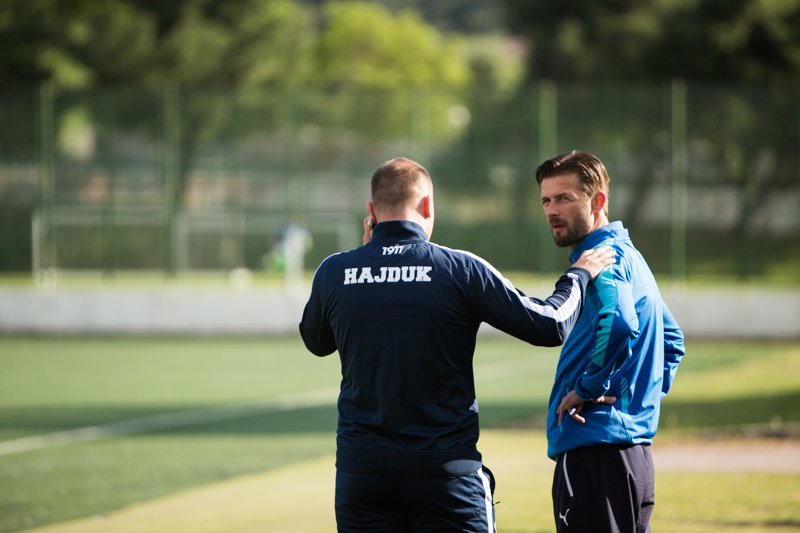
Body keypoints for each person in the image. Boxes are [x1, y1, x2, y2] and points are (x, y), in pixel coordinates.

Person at [299, 157, 615, 533]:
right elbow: (549, 325)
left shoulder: (334, 270)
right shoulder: (460, 269)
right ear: (428, 206)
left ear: (371, 212)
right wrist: (579, 274)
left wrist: (365, 263)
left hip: (361, 476)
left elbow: (316, 343)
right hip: (444, 476)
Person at [536, 150, 685, 533]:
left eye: (565, 198)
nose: (552, 210)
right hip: (633, 457)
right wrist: (633, 395)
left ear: (598, 200)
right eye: (546, 200)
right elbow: (672, 341)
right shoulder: (630, 256)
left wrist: (588, 387)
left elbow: (618, 324)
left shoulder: (600, 259)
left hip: (593, 452)